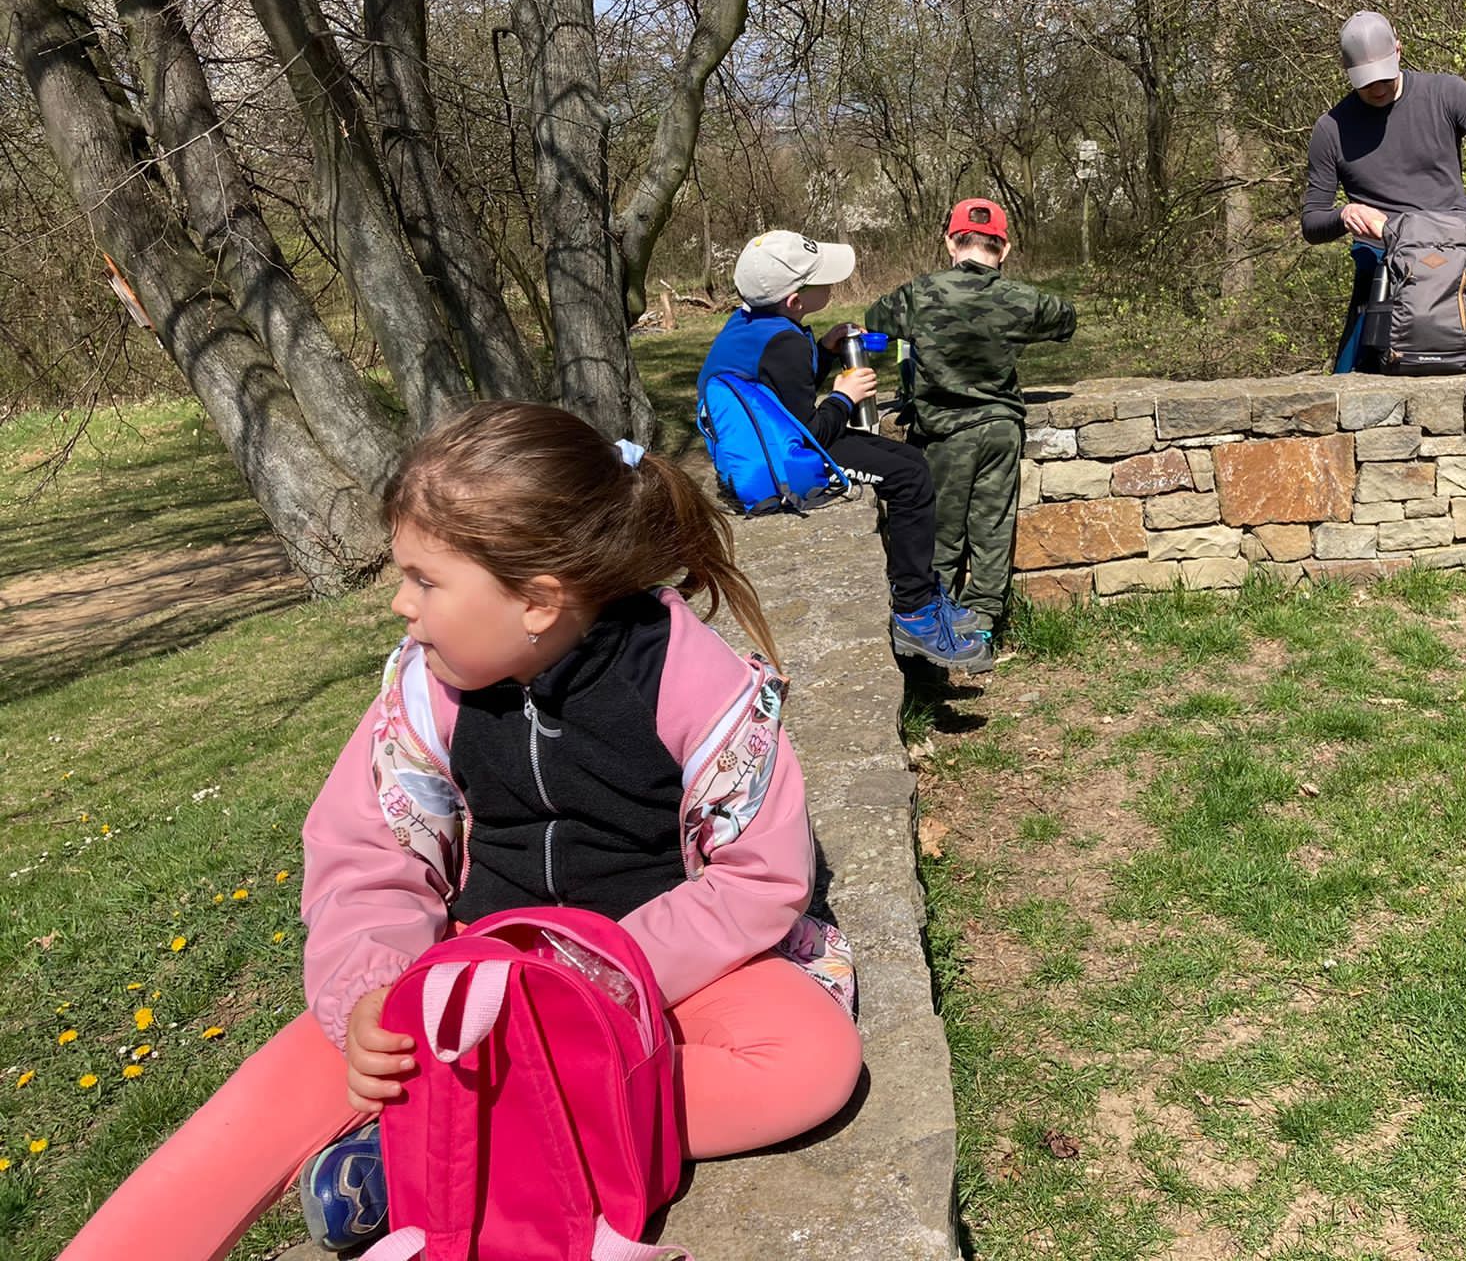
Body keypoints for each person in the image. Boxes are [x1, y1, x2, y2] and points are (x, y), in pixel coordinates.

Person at [60, 403, 864, 1261]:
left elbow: (754, 878)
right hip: (469, 975)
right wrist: (373, 989)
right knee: (249, 1120)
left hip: (660, 971)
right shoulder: (425, 691)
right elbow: (368, 854)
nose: (400, 605)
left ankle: (434, 1148)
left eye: (424, 580)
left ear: (536, 602)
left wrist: (585, 982)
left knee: (808, 1063)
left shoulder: (689, 680)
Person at [695, 229, 992, 672]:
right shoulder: (784, 342)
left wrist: (824, 350)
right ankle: (914, 613)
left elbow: (781, 390)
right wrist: (844, 398)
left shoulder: (753, 324)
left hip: (773, 444)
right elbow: (811, 432)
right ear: (795, 300)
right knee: (909, 478)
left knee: (911, 461)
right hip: (783, 464)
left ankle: (926, 594)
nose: (832, 284)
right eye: (822, 280)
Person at [866, 199, 1076, 639]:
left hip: (944, 434)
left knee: (940, 533)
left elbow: (875, 319)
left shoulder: (921, 294)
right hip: (1000, 428)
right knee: (992, 529)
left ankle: (934, 626)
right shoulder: (1019, 299)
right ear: (1005, 248)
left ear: (950, 243)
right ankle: (982, 624)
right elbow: (1065, 320)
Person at [1301, 9, 1466, 369]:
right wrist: (1344, 214)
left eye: (1384, 77)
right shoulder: (1331, 129)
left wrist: (1459, 217)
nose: (1377, 88)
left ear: (1398, 50)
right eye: (1366, 82)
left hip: (1453, 275)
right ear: (1346, 71)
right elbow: (1312, 223)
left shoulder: (1446, 93)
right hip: (1380, 283)